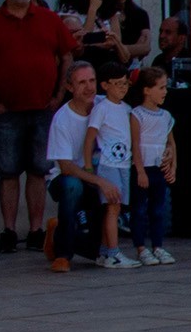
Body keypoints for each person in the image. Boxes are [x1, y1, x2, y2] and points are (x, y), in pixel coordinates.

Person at [0, 0, 76, 253]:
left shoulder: (49, 19)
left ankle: (36, 230)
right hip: (7, 113)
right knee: (7, 172)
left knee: (38, 172)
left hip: (44, 110)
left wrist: (58, 97)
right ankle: (7, 230)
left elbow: (67, 57)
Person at [43, 61, 131, 271]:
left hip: (100, 173)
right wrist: (101, 182)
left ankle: (60, 236)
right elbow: (65, 167)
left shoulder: (105, 104)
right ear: (70, 87)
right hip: (67, 178)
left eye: (92, 81)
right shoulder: (62, 119)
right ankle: (62, 255)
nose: (89, 87)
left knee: (95, 252)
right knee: (73, 186)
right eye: (82, 82)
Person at [123, 66, 175, 266]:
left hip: (158, 170)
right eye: (161, 87)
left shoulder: (166, 116)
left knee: (157, 210)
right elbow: (135, 144)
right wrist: (140, 171)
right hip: (142, 170)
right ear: (147, 90)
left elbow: (171, 143)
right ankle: (141, 248)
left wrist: (172, 166)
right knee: (139, 210)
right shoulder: (137, 115)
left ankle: (158, 246)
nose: (165, 91)